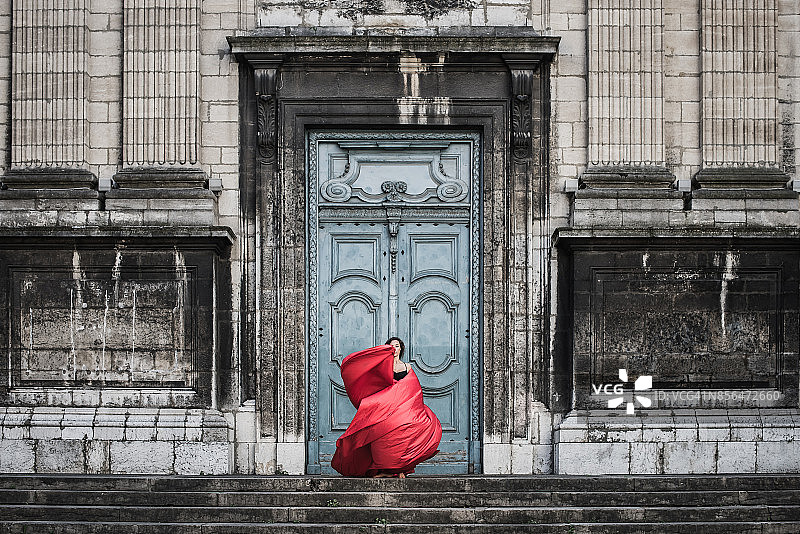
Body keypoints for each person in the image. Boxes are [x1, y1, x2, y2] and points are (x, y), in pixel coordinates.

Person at [331, 337, 442, 478]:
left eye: (397, 346)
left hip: (402, 406)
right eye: (391, 346)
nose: (394, 348)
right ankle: (386, 471)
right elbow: (376, 384)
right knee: (381, 436)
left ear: (401, 349)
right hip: (386, 406)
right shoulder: (382, 366)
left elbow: (413, 388)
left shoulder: (408, 367)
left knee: (403, 435)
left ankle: (400, 469)